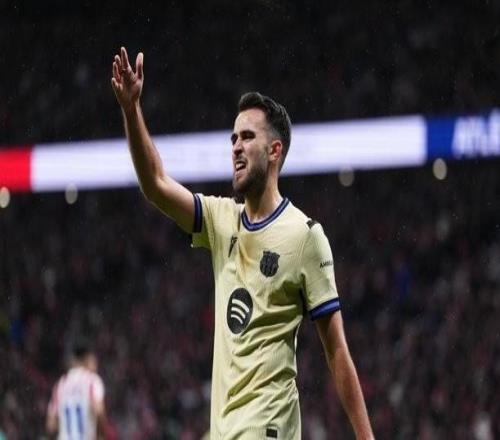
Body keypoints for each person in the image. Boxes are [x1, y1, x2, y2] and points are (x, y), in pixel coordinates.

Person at [111, 46, 374, 439]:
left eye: (247, 137)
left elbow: (336, 351)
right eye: (233, 137)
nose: (235, 145)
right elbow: (155, 184)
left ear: (274, 151)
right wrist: (131, 110)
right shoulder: (221, 220)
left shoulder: (305, 236)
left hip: (267, 428)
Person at [46, 340, 107, 440]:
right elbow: (99, 411)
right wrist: (102, 435)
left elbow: (51, 425)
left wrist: (66, 425)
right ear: (87, 359)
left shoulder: (60, 384)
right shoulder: (92, 381)